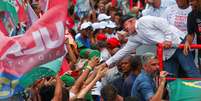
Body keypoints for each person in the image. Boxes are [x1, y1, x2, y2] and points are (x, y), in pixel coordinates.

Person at [101, 14, 201, 78]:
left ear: (132, 21)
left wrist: (168, 39)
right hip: (166, 53)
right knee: (169, 78)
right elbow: (123, 51)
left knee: (190, 71)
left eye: (125, 26)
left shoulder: (144, 20)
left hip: (178, 44)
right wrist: (106, 64)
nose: (124, 30)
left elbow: (163, 23)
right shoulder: (133, 37)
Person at [184, 0, 201, 71]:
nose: (190, 3)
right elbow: (191, 34)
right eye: (189, 1)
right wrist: (187, 42)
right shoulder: (192, 15)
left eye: (192, 1)